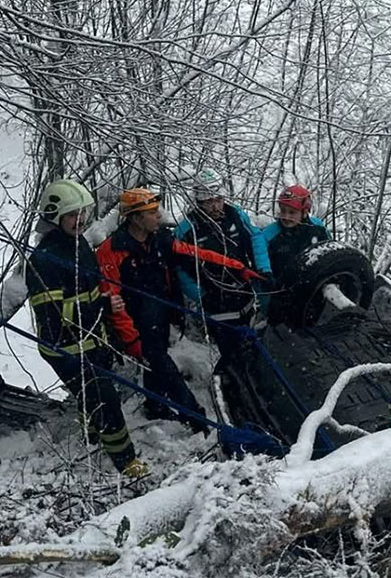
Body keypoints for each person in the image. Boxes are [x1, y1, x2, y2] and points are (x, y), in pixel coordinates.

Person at [96, 186, 262, 433]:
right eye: (152, 213)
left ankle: (155, 405)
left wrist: (237, 267)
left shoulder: (160, 239)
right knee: (164, 366)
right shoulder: (112, 251)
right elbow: (113, 299)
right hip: (135, 322)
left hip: (160, 314)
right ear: (135, 218)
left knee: (157, 360)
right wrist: (130, 339)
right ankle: (199, 420)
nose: (159, 217)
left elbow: (197, 255)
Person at [26, 179, 148, 478]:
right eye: (71, 215)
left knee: (94, 396)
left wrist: (104, 307)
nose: (79, 220)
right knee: (104, 397)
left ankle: (93, 434)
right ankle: (126, 462)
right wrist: (102, 307)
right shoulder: (43, 261)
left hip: (92, 335)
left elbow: (88, 291)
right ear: (55, 217)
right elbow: (56, 318)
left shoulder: (78, 243)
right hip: (64, 347)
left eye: (83, 213)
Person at [174, 170, 272, 404]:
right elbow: (180, 269)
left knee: (253, 340)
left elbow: (255, 239)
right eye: (209, 202)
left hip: (244, 293)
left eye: (218, 199)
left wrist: (263, 270)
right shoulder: (188, 229)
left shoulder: (235, 215)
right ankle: (235, 388)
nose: (216, 206)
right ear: (199, 202)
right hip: (215, 301)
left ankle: (256, 380)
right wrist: (199, 295)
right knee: (231, 348)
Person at [259, 184, 330, 324]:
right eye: (283, 211)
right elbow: (262, 275)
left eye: (292, 212)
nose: (286, 216)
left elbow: (330, 256)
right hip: (282, 298)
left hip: (313, 294)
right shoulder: (269, 235)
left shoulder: (317, 229)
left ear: (304, 212)